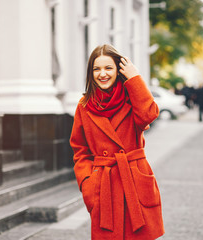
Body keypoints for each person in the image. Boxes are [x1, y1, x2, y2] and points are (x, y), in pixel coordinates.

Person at [70, 44, 165, 240]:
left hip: (135, 184)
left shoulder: (132, 98)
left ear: (118, 70)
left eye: (108, 68)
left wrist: (135, 78)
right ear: (91, 72)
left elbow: (149, 114)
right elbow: (80, 150)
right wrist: (88, 185)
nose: (102, 74)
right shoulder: (84, 106)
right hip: (104, 188)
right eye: (97, 69)